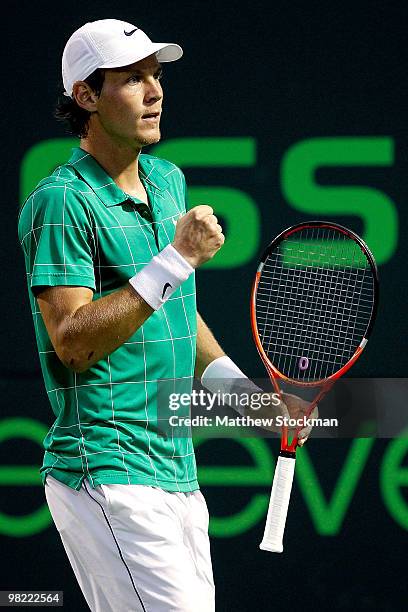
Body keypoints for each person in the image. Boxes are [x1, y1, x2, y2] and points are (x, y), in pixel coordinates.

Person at [18, 19, 312, 612]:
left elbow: (175, 317)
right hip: (107, 469)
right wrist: (177, 256)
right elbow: (72, 342)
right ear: (86, 97)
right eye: (132, 79)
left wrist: (249, 399)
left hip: (176, 470)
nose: (155, 91)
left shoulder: (168, 181)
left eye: (156, 75)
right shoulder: (61, 201)